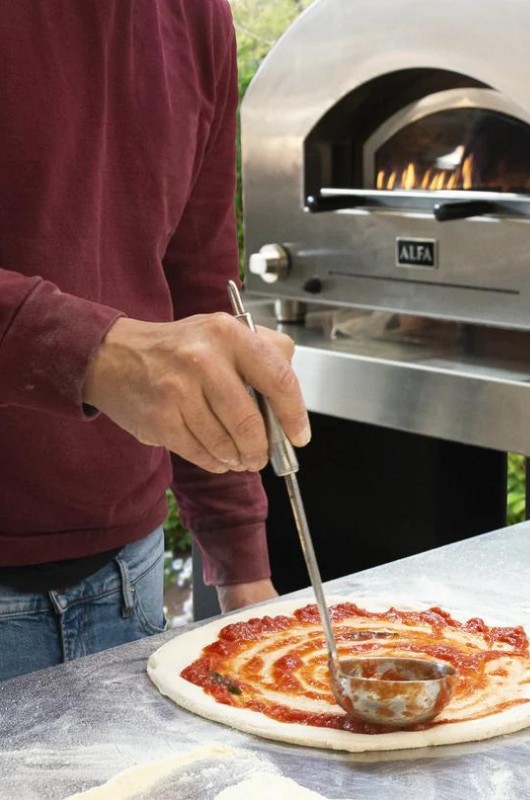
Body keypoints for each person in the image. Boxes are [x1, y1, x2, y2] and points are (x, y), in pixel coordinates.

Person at [0, 0, 310, 681]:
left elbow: (197, 281)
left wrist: (242, 564)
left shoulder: (197, 14)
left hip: (127, 581)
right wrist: (97, 354)